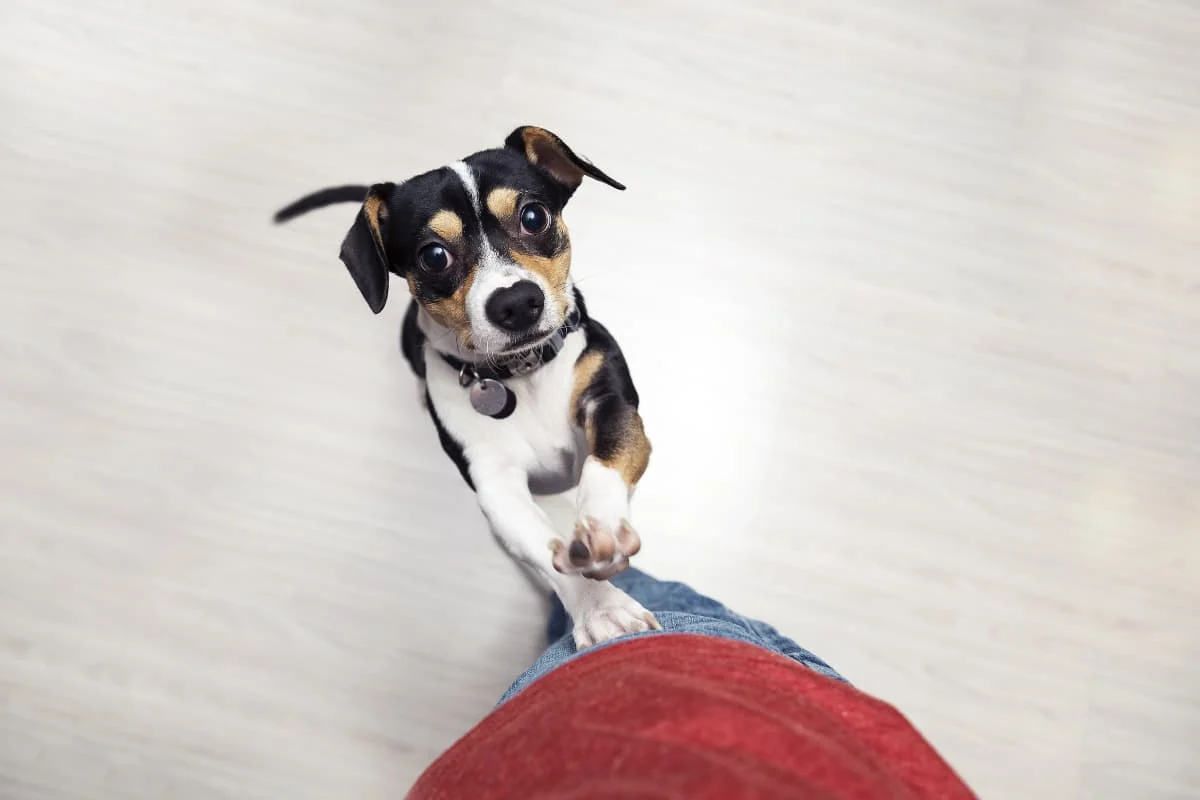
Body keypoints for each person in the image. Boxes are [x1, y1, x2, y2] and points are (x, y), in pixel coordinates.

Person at [407, 568, 976, 799]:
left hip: (650, 686)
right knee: (619, 600)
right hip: (732, 699)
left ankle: (577, 587)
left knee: (620, 597)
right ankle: (577, 589)